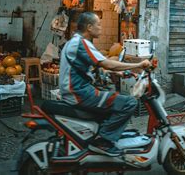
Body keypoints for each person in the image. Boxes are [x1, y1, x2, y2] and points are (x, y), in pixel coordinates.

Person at [59, 12, 151, 157]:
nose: (101, 28)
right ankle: (104, 141)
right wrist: (139, 64)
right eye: (99, 25)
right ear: (89, 27)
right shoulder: (80, 43)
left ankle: (103, 136)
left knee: (114, 101)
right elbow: (107, 64)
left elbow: (92, 67)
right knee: (129, 103)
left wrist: (117, 73)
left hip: (77, 91)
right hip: (80, 93)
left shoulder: (76, 42)